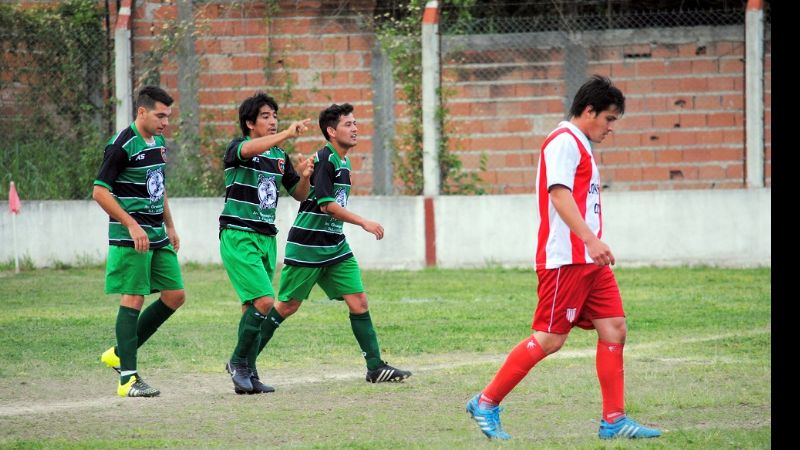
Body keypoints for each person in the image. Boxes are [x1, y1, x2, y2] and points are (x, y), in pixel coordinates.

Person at [465, 75, 662, 440]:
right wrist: (590, 239)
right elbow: (558, 194)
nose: (611, 127)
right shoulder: (564, 142)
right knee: (550, 339)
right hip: (566, 260)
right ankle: (486, 402)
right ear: (589, 111)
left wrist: (592, 245)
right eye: (609, 119)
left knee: (614, 327)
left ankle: (614, 420)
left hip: (589, 261)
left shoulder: (580, 144)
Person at [251, 103, 412, 384]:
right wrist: (364, 222)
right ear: (331, 131)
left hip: (334, 245)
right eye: (348, 124)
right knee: (286, 306)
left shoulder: (344, 161)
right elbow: (327, 205)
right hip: (308, 246)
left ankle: (375, 367)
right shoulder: (325, 159)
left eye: (355, 123)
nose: (355, 128)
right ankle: (243, 360)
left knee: (358, 301)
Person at [93, 86, 185, 398]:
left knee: (175, 295)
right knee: (134, 298)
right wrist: (131, 225)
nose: (165, 122)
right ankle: (128, 380)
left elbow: (159, 186)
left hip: (157, 233)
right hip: (131, 236)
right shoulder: (121, 146)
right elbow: (100, 191)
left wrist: (170, 225)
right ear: (141, 112)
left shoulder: (158, 142)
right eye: (160, 115)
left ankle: (121, 353)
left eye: (168, 116)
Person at [221, 92, 313, 394]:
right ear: (249, 123)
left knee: (251, 307)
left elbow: (298, 194)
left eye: (275, 116)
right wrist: (286, 134)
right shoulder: (237, 148)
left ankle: (249, 372)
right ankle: (238, 361)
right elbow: (249, 150)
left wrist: (305, 176)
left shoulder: (278, 157)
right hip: (239, 234)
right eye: (265, 116)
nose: (273, 121)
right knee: (264, 301)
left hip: (266, 237)